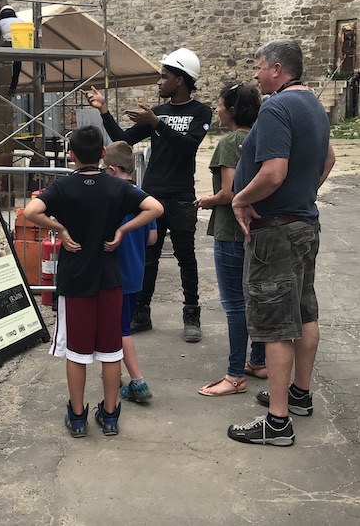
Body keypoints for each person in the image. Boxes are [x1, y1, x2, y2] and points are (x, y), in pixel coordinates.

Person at [227, 39, 336, 447]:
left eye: (258, 67)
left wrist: (241, 198)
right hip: (305, 225)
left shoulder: (276, 107)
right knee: (305, 313)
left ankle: (277, 423)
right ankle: (299, 396)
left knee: (275, 326)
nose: (255, 75)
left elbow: (273, 172)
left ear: (276, 68)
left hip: (276, 232)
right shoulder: (312, 105)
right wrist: (304, 193)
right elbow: (329, 160)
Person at [23, 125, 163, 438]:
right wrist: (123, 231)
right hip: (110, 278)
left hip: (76, 280)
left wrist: (60, 230)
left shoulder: (63, 187)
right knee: (111, 351)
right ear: (102, 154)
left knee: (77, 352)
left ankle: (76, 416)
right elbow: (155, 208)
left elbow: (31, 210)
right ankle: (110, 415)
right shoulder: (116, 186)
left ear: (71, 155)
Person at [81, 48, 212, 342]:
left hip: (180, 196)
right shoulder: (159, 113)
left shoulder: (200, 112)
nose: (159, 82)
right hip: (151, 195)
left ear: (180, 80)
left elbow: (188, 146)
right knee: (148, 256)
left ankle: (192, 314)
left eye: (164, 77)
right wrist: (103, 109)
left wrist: (156, 123)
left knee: (185, 256)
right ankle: (142, 312)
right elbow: (123, 140)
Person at [195, 83, 267, 397]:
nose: (218, 109)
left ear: (233, 110)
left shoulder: (229, 142)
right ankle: (259, 361)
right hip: (261, 231)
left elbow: (230, 192)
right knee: (258, 300)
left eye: (221, 104)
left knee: (235, 305)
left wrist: (208, 201)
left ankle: (235, 374)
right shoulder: (263, 137)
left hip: (231, 233)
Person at [102, 141, 157, 403]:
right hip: (137, 272)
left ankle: (138, 381)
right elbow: (153, 238)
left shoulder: (112, 196)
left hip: (117, 273)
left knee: (120, 329)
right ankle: (123, 375)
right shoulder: (142, 196)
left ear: (112, 169)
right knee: (121, 326)